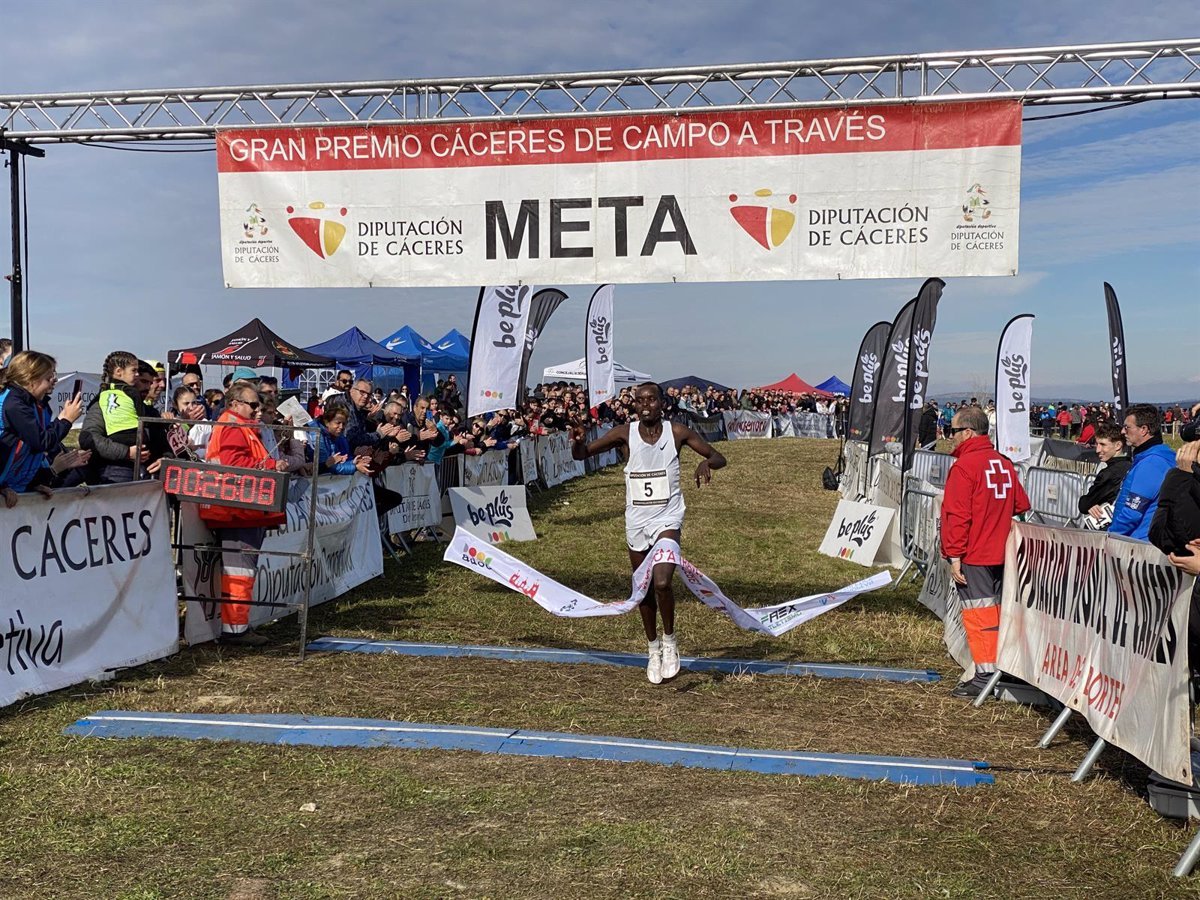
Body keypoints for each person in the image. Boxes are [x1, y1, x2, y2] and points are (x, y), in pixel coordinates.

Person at [570, 382, 727, 684]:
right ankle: (653, 648)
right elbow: (582, 454)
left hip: (668, 517)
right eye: (639, 400)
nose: (645, 405)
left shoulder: (677, 432)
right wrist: (576, 442)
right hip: (637, 521)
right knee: (643, 589)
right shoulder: (624, 433)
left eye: (651, 400)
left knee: (663, 581)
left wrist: (706, 463)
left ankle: (670, 642)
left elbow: (718, 456)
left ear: (661, 403)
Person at [940, 406, 1031, 699]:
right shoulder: (1003, 463)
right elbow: (1021, 504)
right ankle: (1002, 668)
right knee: (1000, 613)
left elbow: (956, 515)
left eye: (952, 431)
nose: (949, 437)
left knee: (979, 616)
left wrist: (954, 555)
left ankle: (985, 676)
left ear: (967, 432)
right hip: (1004, 552)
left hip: (975, 553)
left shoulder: (965, 466)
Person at [199, 381, 288, 647]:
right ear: (236, 404)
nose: (257, 410)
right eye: (253, 405)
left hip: (240, 509)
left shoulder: (239, 426)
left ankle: (236, 627)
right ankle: (235, 630)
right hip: (237, 510)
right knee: (240, 571)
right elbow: (234, 464)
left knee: (240, 571)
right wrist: (271, 464)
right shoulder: (233, 426)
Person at [0, 351, 89, 504]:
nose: (53, 381)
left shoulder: (37, 405)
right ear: (30, 379)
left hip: (16, 487)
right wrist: (66, 420)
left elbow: (33, 452)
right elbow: (42, 441)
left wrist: (35, 482)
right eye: (49, 378)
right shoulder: (13, 404)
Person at [1109, 403, 1176, 541]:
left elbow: (1132, 512)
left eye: (1127, 427)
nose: (1122, 432)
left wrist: (1109, 536)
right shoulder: (1150, 458)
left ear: (1143, 429)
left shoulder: (1152, 463)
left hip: (1138, 543)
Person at [1077, 422, 1131, 529]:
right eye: (1096, 444)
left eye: (1103, 445)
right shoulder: (1131, 466)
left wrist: (1087, 503)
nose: (1097, 450)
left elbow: (1084, 505)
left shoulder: (1110, 473)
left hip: (1106, 530)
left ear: (1118, 446)